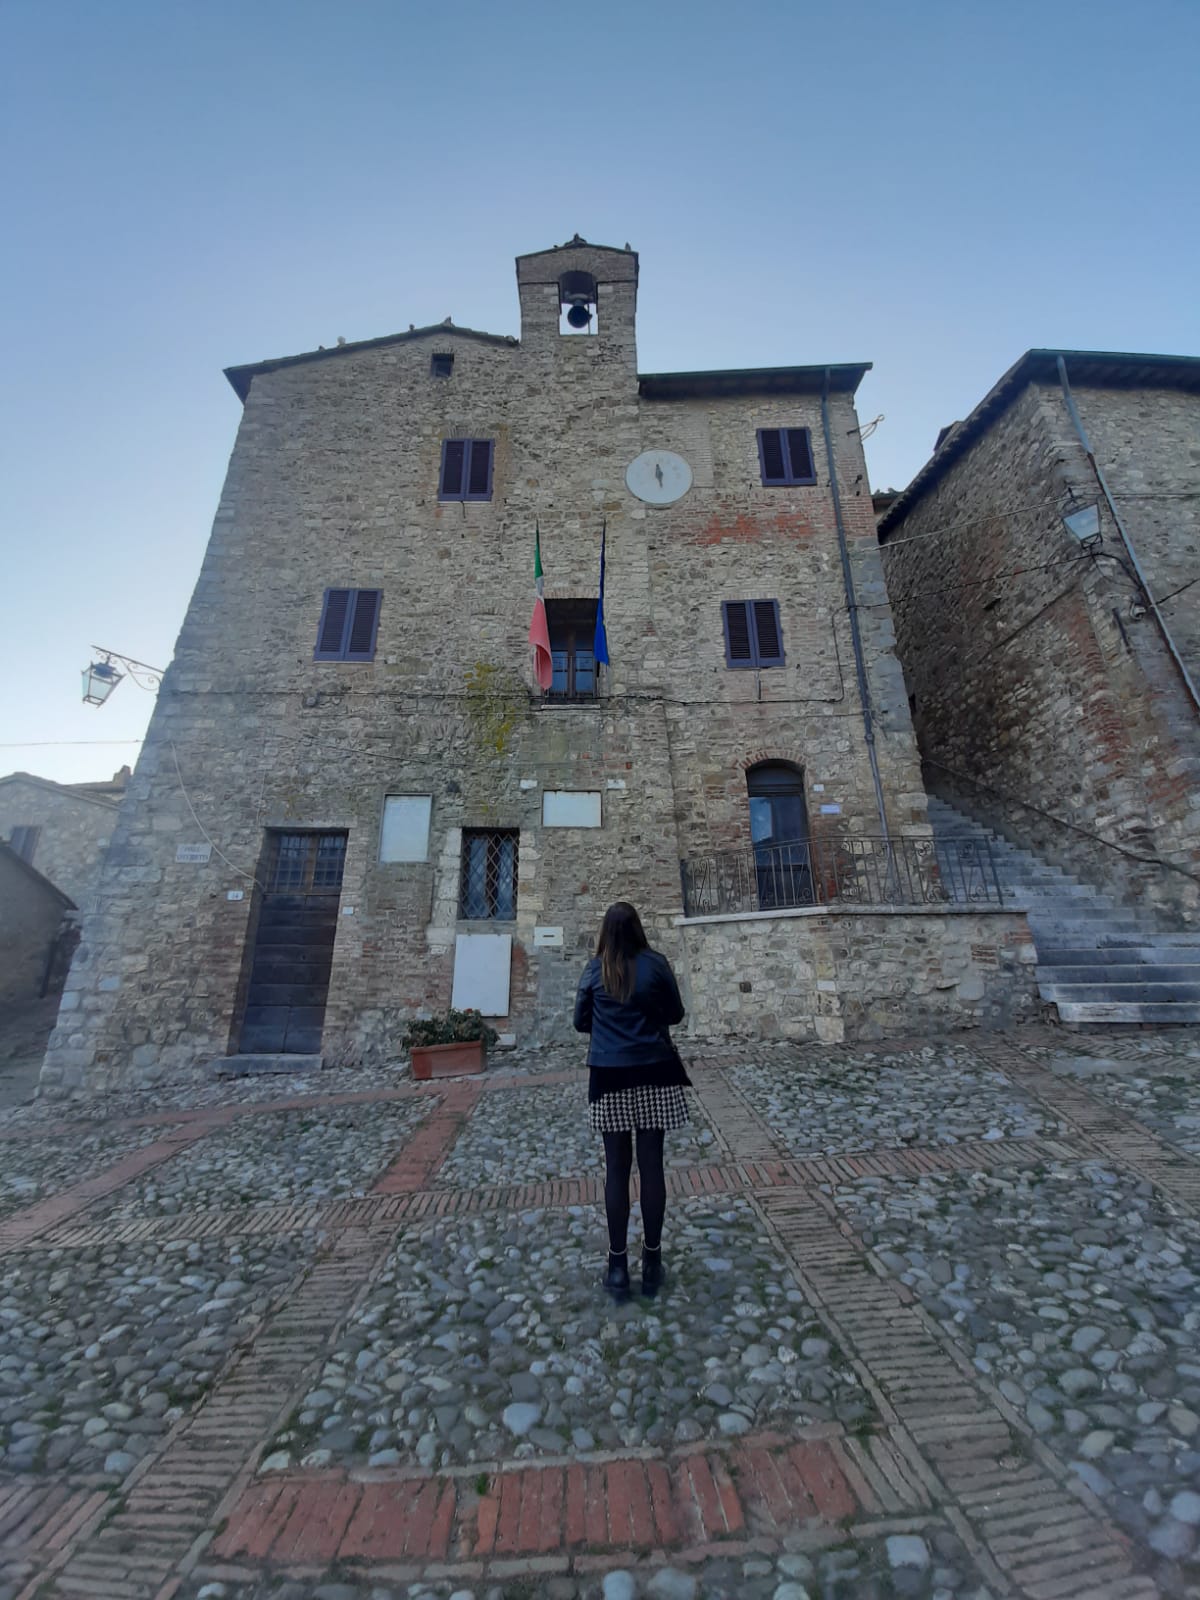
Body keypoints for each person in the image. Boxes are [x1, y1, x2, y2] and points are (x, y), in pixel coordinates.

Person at [573, 902, 690, 1299]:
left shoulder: (594, 970)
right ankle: (653, 1263)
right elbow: (676, 1013)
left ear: (605, 932)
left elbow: (579, 1021)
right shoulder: (655, 964)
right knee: (652, 1167)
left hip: (609, 1076)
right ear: (639, 928)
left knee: (617, 1172)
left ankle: (618, 1266)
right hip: (654, 1070)